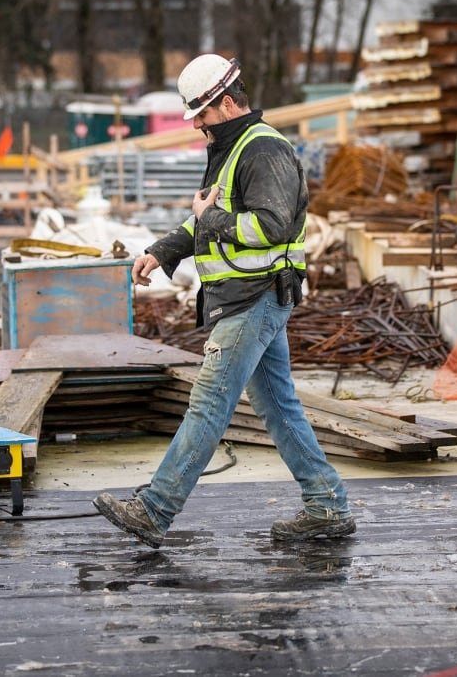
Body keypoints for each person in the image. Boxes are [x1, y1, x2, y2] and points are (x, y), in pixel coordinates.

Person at [93, 54, 355, 548]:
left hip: (256, 297)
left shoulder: (263, 151)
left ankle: (155, 509)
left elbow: (269, 225)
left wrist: (208, 222)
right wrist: (164, 250)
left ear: (228, 103)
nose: (198, 127)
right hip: (245, 297)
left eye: (203, 116)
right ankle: (327, 504)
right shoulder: (231, 147)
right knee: (279, 406)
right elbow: (209, 216)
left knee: (209, 403)